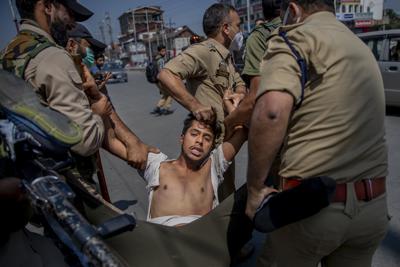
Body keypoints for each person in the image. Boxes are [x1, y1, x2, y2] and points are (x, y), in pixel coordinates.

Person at [245, 0, 389, 266]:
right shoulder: (359, 45)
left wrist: (255, 189)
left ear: (294, 9)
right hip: (372, 207)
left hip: (312, 209)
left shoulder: (296, 37)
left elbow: (271, 112)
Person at [1, 0, 156, 174]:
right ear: (47, 7)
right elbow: (85, 141)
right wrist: (98, 112)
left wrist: (133, 144)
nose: (73, 23)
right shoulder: (53, 57)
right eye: (69, 13)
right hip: (62, 178)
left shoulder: (9, 52)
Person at [158, 3, 247, 200]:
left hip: (225, 143)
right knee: (206, 198)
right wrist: (195, 106)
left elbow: (239, 83)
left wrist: (238, 94)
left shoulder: (226, 57)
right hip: (208, 145)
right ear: (226, 28)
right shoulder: (203, 51)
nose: (240, 30)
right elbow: (166, 74)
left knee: (224, 193)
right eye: (238, 25)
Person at [140, 91, 247, 227]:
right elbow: (120, 144)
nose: (200, 141)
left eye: (207, 138)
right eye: (194, 134)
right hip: (163, 241)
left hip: (198, 242)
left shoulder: (213, 167)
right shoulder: (157, 165)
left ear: (212, 146)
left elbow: (243, 132)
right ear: (182, 138)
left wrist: (228, 103)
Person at [66, 23, 159, 169]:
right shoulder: (64, 77)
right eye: (87, 47)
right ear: (71, 46)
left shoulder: (87, 76)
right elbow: (92, 137)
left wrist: (136, 146)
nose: (89, 53)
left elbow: (108, 122)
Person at [150, 45, 174, 115]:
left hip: (156, 80)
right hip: (161, 79)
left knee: (165, 94)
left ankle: (158, 107)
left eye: (165, 50)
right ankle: (166, 109)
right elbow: (162, 71)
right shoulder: (161, 60)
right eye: (163, 51)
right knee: (170, 94)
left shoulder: (155, 58)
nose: (165, 52)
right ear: (159, 52)